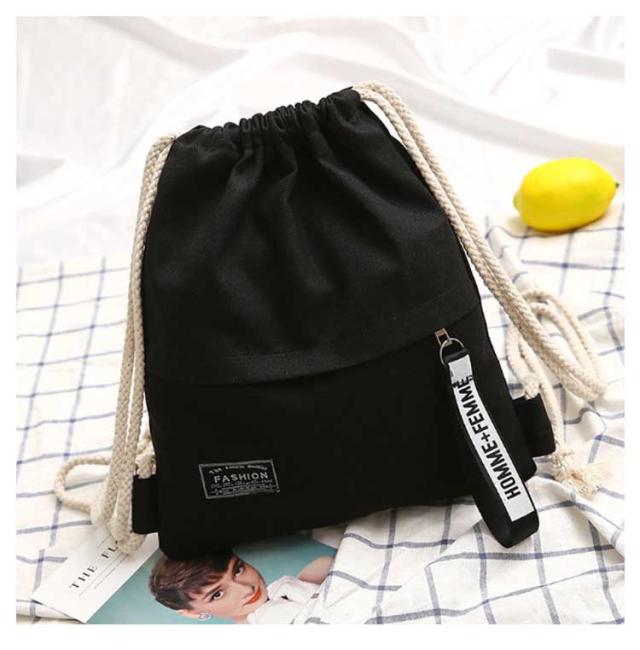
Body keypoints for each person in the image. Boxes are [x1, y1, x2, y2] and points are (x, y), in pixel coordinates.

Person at [149, 549, 334, 624]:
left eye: (238, 570)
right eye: (217, 594)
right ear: (192, 612)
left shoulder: (288, 586)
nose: (247, 589)